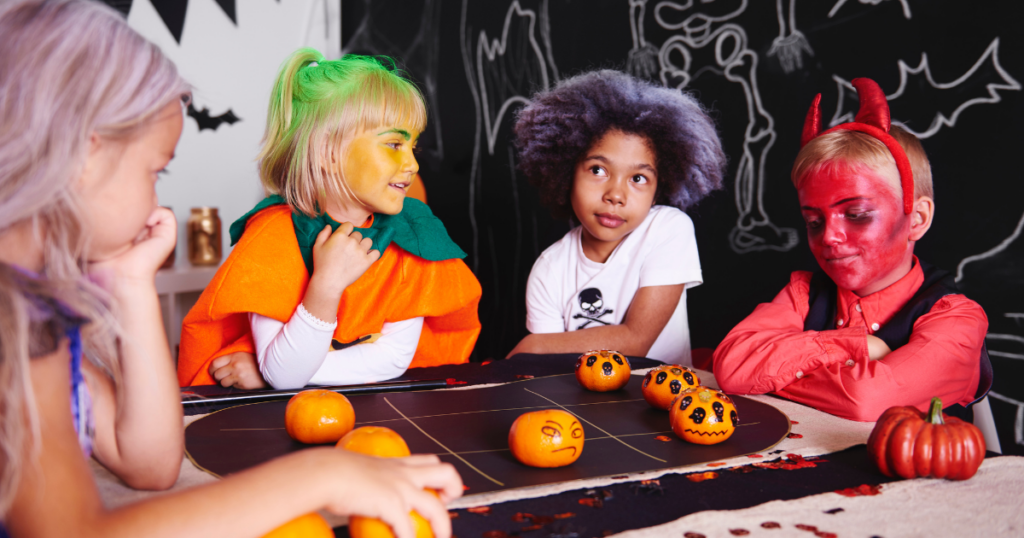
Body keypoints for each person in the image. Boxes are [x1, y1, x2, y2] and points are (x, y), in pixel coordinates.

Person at [0, 2, 461, 537]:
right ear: (86, 156)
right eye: (156, 171)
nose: (157, 199)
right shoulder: (15, 326)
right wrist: (321, 476)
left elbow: (150, 465)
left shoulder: (40, 320)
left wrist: (132, 283)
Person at [176, 50, 482, 389]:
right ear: (328, 153)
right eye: (394, 144)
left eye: (414, 147)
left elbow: (392, 358)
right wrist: (327, 284)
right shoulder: (273, 237)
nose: (413, 164)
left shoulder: (414, 236)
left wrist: (267, 373)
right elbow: (285, 375)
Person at [713, 78, 992, 422]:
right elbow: (732, 367)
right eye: (814, 221)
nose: (829, 237)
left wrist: (773, 376)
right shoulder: (804, 293)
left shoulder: (956, 319)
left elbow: (866, 400)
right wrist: (855, 346)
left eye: (857, 215)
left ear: (917, 219)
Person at [507, 70, 727, 365]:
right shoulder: (549, 270)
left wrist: (534, 345)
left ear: (658, 189)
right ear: (566, 173)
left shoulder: (667, 229)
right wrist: (539, 351)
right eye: (598, 170)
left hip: (663, 393)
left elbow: (636, 341)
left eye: (638, 178)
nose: (616, 195)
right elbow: (547, 372)